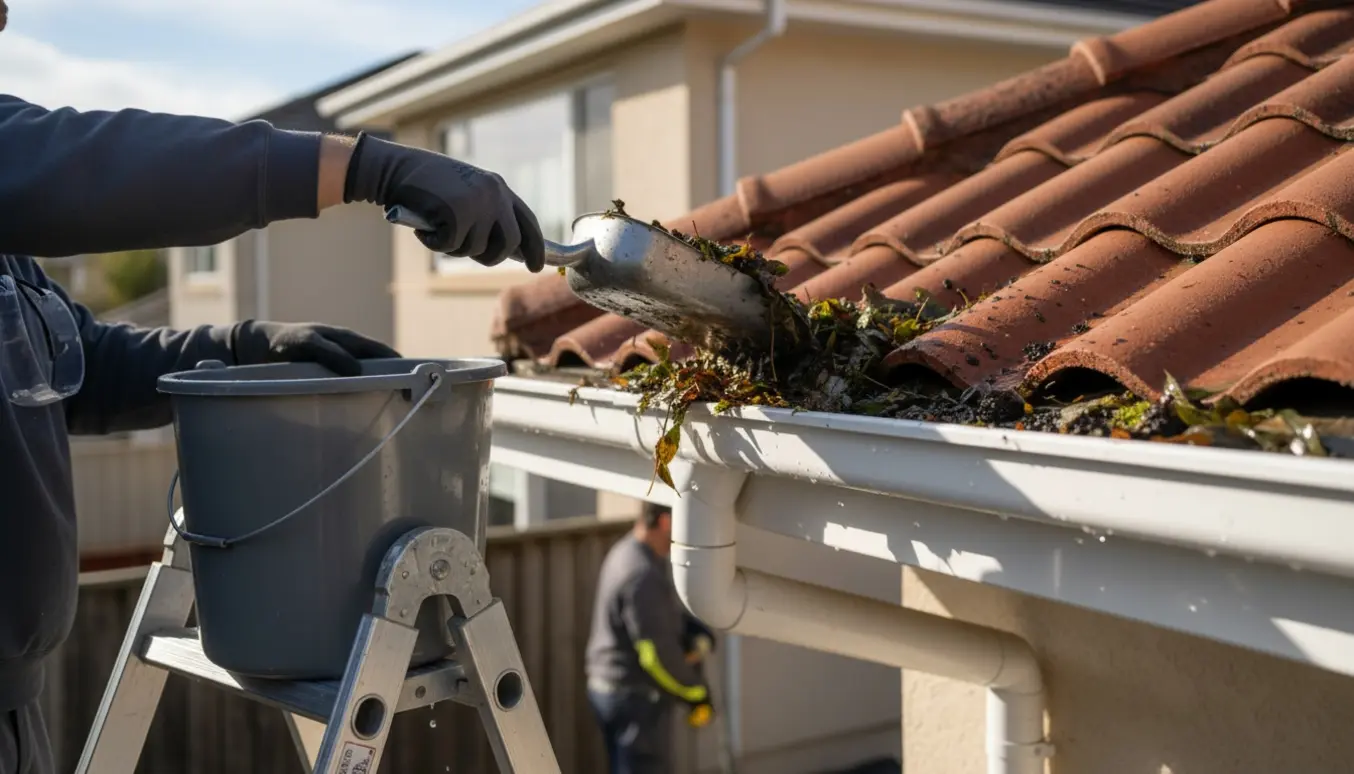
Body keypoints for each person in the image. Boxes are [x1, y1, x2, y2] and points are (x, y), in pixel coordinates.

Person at [0, 3, 549, 771]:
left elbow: (78, 369)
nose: (3, 18)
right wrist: (368, 169)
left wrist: (240, 348)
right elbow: (93, 165)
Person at [585, 502, 718, 774]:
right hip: (633, 699)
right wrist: (695, 692)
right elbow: (655, 656)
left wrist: (690, 628)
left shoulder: (626, 552)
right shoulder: (641, 573)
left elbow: (654, 617)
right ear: (666, 522)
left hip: (611, 689)